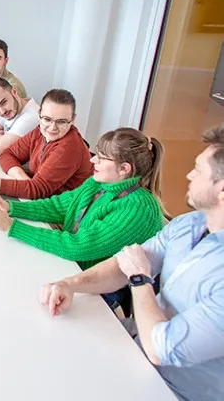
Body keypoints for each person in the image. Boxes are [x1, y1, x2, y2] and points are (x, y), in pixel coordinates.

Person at [39, 125, 224, 400]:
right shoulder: (189, 224)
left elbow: (162, 348)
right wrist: (71, 283)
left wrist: (140, 279)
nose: (188, 175)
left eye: (198, 171)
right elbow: (125, 263)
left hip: (174, 388)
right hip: (136, 346)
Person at [0, 128, 166, 270]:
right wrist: (11, 207)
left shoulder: (138, 209)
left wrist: (12, 227)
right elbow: (59, 206)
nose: (93, 161)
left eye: (101, 158)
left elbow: (78, 247)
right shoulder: (98, 183)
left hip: (97, 294)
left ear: (124, 169)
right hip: (69, 266)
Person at [0, 89, 92, 199]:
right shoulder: (39, 131)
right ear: (39, 114)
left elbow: (36, 190)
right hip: (39, 198)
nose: (52, 127)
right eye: (47, 119)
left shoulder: (69, 147)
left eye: (61, 121)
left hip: (61, 214)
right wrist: (23, 178)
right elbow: (7, 154)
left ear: (72, 119)